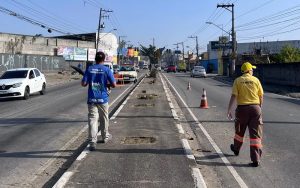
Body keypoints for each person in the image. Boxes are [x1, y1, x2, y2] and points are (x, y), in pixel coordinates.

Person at [227, 62, 264, 167]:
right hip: (255, 108)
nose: (253, 71)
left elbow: (234, 96)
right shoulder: (256, 80)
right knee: (255, 136)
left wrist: (229, 109)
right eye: (252, 69)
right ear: (249, 70)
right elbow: (261, 96)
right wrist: (259, 108)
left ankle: (236, 149)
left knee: (239, 131)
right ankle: (256, 159)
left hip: (242, 109)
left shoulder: (238, 80)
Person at [81, 51, 116, 151]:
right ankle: (105, 137)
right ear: (104, 59)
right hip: (103, 99)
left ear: (95, 59)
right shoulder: (106, 70)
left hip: (92, 99)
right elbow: (114, 85)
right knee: (104, 118)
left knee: (92, 120)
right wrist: (106, 85)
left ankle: (92, 141)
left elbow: (83, 83)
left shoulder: (90, 69)